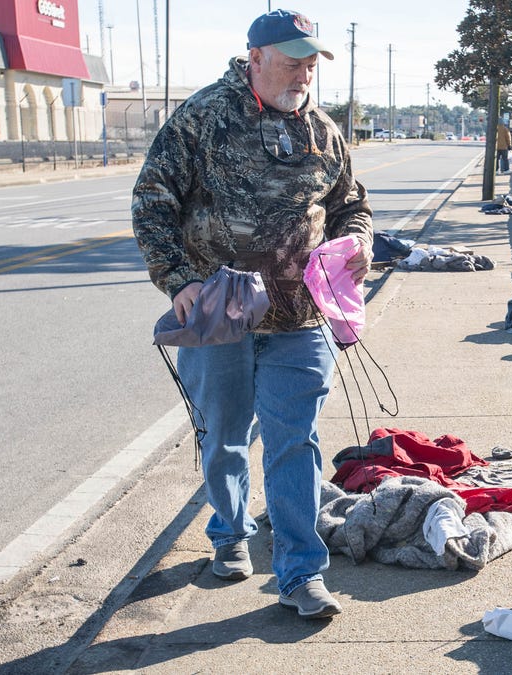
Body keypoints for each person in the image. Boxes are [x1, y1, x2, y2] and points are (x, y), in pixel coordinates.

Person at [132, 8, 373, 620]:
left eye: (311, 63)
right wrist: (179, 280)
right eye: (292, 62)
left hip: (300, 317)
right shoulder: (203, 117)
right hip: (220, 314)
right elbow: (153, 201)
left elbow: (350, 205)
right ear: (256, 58)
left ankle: (301, 573)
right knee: (224, 436)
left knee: (295, 442)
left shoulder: (323, 131)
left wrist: (358, 241)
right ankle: (229, 530)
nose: (304, 73)